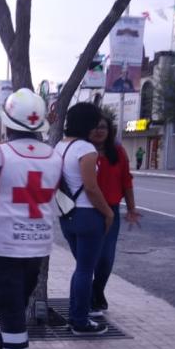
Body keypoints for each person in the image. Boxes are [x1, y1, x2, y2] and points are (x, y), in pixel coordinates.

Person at [0, 88, 61, 349]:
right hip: (39, 244)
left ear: (8, 122)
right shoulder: (54, 155)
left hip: (6, 243)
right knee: (18, 300)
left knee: (8, 305)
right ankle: (5, 347)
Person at [54, 103, 115, 335]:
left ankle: (76, 314)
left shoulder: (59, 147)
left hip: (66, 214)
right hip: (88, 214)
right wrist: (108, 213)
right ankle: (79, 320)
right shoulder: (85, 150)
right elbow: (91, 187)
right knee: (84, 270)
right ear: (88, 123)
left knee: (81, 268)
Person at [87, 115, 141, 317]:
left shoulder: (117, 151)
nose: (99, 131)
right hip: (87, 210)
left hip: (111, 212)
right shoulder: (82, 150)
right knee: (88, 258)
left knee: (106, 258)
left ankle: (97, 291)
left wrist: (131, 208)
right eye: (95, 127)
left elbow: (126, 181)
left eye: (103, 127)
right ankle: (90, 296)